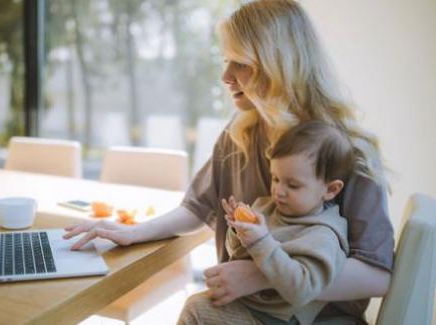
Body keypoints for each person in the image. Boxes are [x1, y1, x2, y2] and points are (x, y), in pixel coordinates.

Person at [63, 0, 394, 323]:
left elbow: (376, 275)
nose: (225, 76)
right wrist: (135, 232)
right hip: (246, 310)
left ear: (279, 65)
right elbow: (197, 208)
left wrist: (261, 274)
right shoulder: (239, 135)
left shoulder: (351, 151)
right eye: (225, 60)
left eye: (240, 63)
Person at [211, 120, 353, 325]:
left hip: (277, 318)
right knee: (198, 305)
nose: (278, 190)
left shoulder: (323, 235)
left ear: (330, 190)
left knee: (196, 310)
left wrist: (260, 241)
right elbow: (237, 254)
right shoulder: (266, 208)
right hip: (246, 305)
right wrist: (239, 230)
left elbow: (302, 291)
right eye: (275, 179)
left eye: (293, 185)